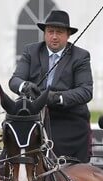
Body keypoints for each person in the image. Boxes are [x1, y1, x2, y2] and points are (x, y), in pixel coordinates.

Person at [9, 10, 93, 163]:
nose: (54, 36)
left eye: (59, 32)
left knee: (56, 159)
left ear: (68, 35)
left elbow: (86, 91)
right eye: (50, 32)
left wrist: (58, 97)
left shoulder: (80, 56)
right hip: (33, 117)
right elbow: (14, 80)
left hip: (67, 118)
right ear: (45, 34)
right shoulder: (31, 51)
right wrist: (25, 86)